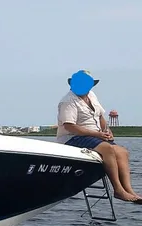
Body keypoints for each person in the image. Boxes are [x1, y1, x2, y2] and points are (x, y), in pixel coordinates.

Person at [56, 70, 142, 204]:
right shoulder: (68, 101)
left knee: (122, 152)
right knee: (107, 149)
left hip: (95, 135)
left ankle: (129, 190)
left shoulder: (91, 95)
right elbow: (69, 126)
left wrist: (107, 130)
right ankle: (118, 189)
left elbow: (100, 116)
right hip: (73, 137)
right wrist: (96, 134)